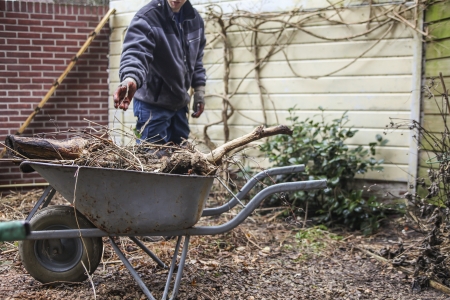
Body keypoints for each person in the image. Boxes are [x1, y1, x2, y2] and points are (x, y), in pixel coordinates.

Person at [113, 0, 206, 145]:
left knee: (179, 159)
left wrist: (199, 90)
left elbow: (197, 59)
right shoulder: (147, 18)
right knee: (151, 160)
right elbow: (136, 53)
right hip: (152, 105)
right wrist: (131, 77)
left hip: (179, 104)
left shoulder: (195, 20)